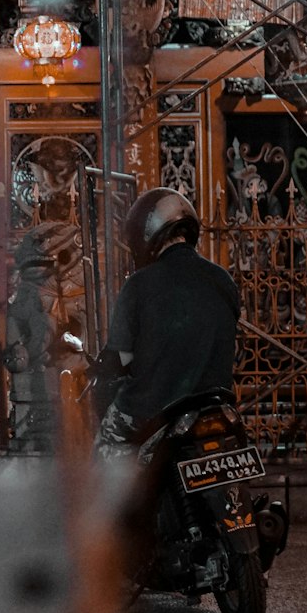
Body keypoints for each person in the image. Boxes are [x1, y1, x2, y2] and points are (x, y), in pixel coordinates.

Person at [94, 188, 240, 456]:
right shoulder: (223, 280)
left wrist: (103, 367)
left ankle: (120, 500)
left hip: (154, 408)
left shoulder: (139, 285)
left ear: (145, 233)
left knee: (106, 443)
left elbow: (121, 357)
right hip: (216, 404)